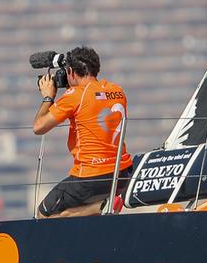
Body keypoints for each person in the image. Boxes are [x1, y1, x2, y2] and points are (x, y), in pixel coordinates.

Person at [32, 47, 134, 218]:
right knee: (74, 212)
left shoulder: (75, 95)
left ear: (71, 71)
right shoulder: (117, 90)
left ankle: (100, 207)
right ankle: (98, 209)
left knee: (44, 215)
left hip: (90, 175)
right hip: (121, 172)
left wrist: (48, 97)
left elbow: (39, 127)